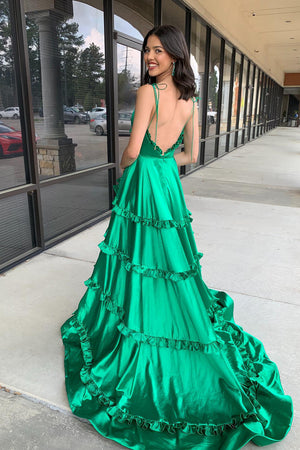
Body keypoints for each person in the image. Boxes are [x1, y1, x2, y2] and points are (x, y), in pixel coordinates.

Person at [61, 25, 293, 450]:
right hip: (167, 180)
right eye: (147, 50)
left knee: (136, 252)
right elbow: (192, 154)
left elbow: (132, 148)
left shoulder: (149, 93)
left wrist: (129, 166)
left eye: (156, 51)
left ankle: (142, 316)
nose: (150, 57)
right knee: (167, 256)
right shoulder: (190, 99)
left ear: (174, 54)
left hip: (145, 178)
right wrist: (165, 162)